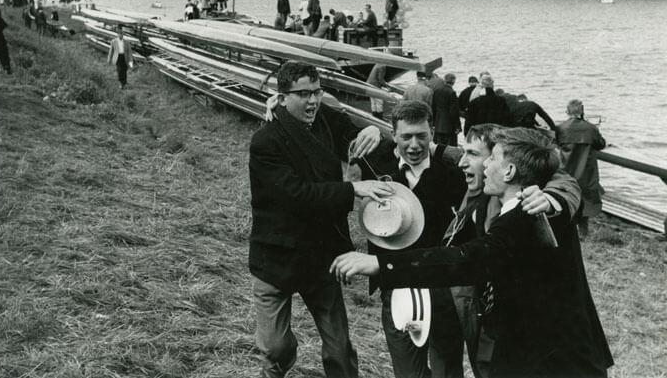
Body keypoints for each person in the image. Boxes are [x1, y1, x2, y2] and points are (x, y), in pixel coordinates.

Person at [331, 127, 614, 378]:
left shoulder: (528, 215)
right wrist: (381, 133)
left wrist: (380, 263)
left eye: (491, 158)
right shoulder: (511, 207)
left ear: (509, 171)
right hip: (539, 352)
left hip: (554, 362)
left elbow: (466, 260)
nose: (482, 165)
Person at [248, 61, 394, 378]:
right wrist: (353, 188)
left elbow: (351, 137)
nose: (313, 101)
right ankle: (281, 363)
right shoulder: (265, 143)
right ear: (282, 97)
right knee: (275, 348)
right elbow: (297, 195)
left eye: (317, 92)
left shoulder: (324, 118)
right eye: (304, 94)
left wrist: (371, 130)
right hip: (276, 258)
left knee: (340, 348)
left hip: (320, 256)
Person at [352, 100, 467, 378]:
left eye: (422, 136)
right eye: (406, 137)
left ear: (433, 133)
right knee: (408, 373)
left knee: (448, 371)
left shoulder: (453, 171)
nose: (414, 145)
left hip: (442, 288)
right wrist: (277, 102)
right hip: (397, 287)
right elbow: (328, 120)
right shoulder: (374, 161)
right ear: (393, 134)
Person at [556, 99, 606, 237]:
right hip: (586, 170)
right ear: (582, 110)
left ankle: (567, 231)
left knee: (567, 199)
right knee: (586, 202)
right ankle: (583, 232)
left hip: (566, 169)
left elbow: (558, 143)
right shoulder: (591, 128)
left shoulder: (561, 128)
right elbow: (601, 144)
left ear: (567, 111)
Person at [432, 73, 461, 146]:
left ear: (444, 80)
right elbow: (453, 111)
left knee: (439, 147)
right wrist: (457, 126)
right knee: (450, 148)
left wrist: (434, 123)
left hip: (438, 125)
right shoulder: (452, 93)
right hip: (449, 126)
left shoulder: (437, 91)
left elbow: (433, 107)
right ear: (453, 81)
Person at [107, 25, 134, 89]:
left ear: (123, 34)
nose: (120, 35)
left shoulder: (126, 42)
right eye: (119, 34)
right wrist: (109, 59)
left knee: (124, 69)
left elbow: (129, 52)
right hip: (118, 57)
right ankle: (121, 83)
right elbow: (111, 51)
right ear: (117, 34)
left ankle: (124, 81)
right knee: (119, 70)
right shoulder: (114, 41)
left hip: (124, 57)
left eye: (121, 34)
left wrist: (131, 61)